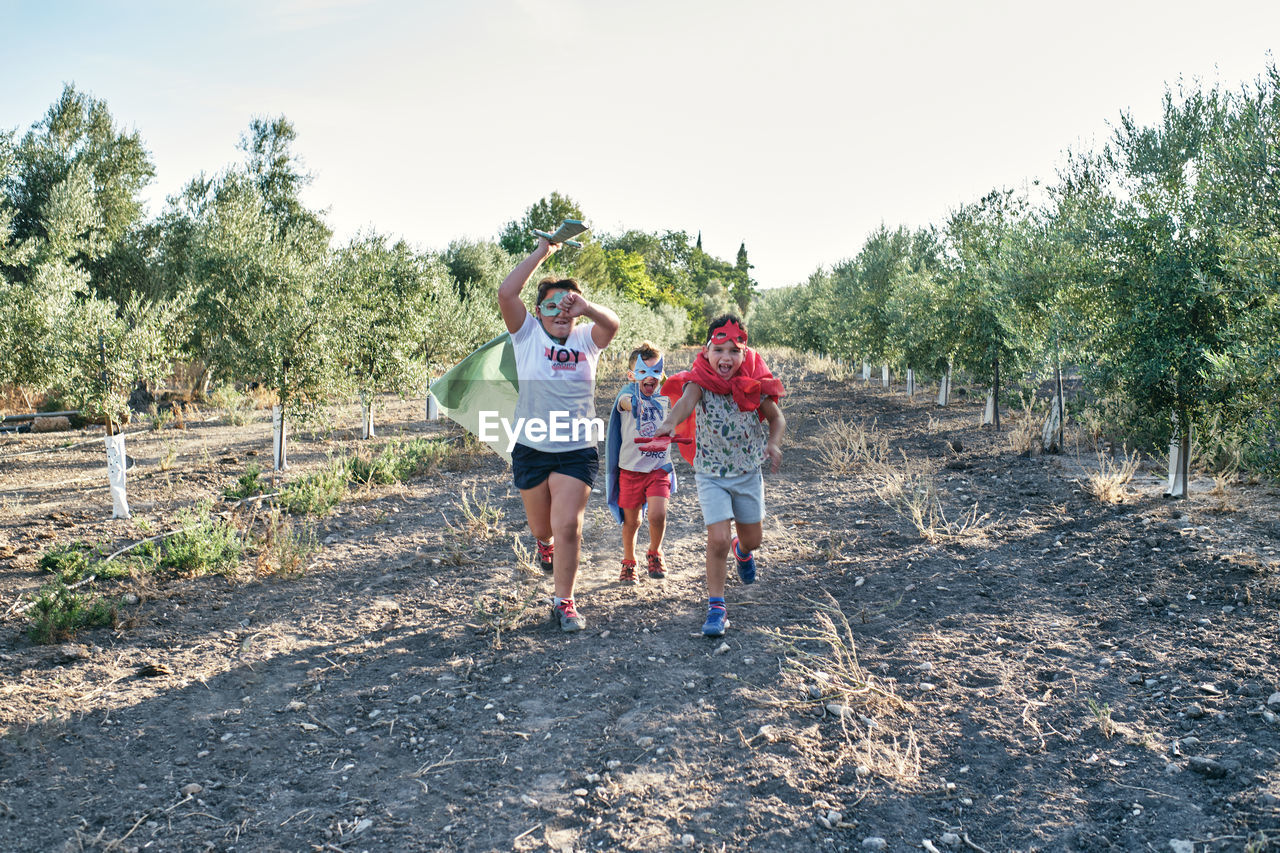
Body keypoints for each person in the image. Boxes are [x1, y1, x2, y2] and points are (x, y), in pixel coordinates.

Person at [497, 236, 619, 632]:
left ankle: (564, 601)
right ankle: (543, 545)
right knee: (543, 528)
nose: (560, 312)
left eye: (568, 306)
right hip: (532, 446)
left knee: (569, 525)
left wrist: (587, 307)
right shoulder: (526, 335)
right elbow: (505, 292)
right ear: (538, 311)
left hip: (577, 449)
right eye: (551, 305)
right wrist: (543, 253)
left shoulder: (587, 340)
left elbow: (612, 324)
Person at [656, 314, 785, 637]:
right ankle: (717, 607)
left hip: (746, 472)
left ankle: (743, 551)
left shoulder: (754, 384)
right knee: (717, 540)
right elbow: (686, 403)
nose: (725, 357)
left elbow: (777, 419)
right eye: (719, 349)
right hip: (710, 473)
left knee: (753, 539)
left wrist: (774, 444)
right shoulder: (698, 381)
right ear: (706, 350)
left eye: (733, 350)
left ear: (744, 353)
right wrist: (670, 422)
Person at [605, 342, 674, 584]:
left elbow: (686, 406)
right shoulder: (627, 394)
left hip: (658, 467)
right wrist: (633, 404)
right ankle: (629, 561)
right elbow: (623, 402)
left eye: (656, 372)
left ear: (662, 375)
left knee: (657, 514)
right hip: (631, 470)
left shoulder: (666, 397)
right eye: (643, 372)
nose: (650, 377)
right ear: (632, 375)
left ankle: (655, 552)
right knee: (632, 521)